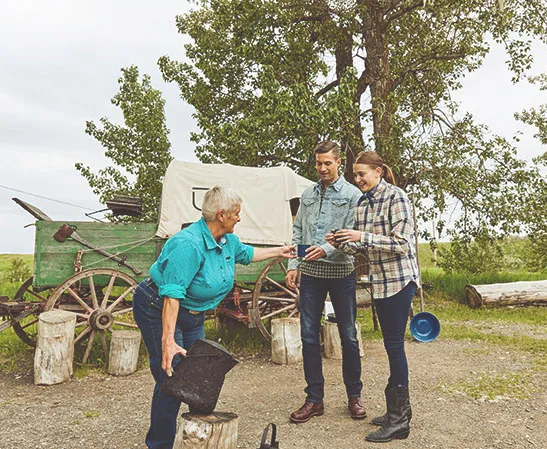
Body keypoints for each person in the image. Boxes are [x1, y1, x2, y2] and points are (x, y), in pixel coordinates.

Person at [133, 186, 295, 449]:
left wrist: (280, 251)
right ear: (221, 215)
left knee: (200, 372)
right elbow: (172, 295)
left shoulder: (226, 240)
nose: (239, 218)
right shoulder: (188, 244)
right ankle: (159, 444)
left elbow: (246, 255)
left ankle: (198, 438)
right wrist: (168, 341)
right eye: (236, 213)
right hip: (157, 306)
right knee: (172, 378)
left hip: (193, 313)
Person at [327, 150, 420, 443]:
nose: (357, 179)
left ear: (378, 172)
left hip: (399, 282)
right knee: (391, 346)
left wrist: (360, 237)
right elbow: (363, 250)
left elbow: (401, 244)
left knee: (394, 347)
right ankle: (397, 411)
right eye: (355, 175)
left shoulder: (397, 198)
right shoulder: (363, 205)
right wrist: (342, 242)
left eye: (362, 174)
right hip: (379, 283)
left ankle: (400, 420)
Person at [286, 140, 365, 423]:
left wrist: (328, 249)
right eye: (318, 163)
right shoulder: (307, 194)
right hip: (311, 277)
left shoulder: (354, 195)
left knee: (349, 337)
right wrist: (293, 264)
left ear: (338, 162)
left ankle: (354, 397)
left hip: (342, 274)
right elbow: (297, 232)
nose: (322, 168)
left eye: (327, 163)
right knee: (308, 336)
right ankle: (314, 400)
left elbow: (355, 232)